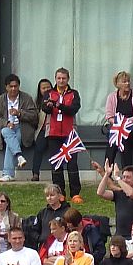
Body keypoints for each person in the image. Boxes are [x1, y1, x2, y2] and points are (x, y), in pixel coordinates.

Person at [41, 67, 82, 201]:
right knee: (56, 164)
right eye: (59, 78)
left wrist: (58, 105)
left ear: (68, 79)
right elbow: (44, 108)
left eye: (64, 78)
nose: (61, 81)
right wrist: (49, 105)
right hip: (53, 133)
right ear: (55, 79)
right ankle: (60, 193)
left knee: (72, 163)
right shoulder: (49, 93)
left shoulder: (74, 93)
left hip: (70, 133)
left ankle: (75, 193)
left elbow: (73, 109)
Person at [0, 73, 39, 181]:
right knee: (6, 132)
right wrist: (7, 123)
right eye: (11, 86)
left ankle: (8, 174)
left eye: (16, 86)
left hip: (22, 128)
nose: (13, 89)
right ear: (6, 87)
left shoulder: (26, 98)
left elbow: (34, 116)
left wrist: (19, 113)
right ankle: (19, 156)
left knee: (12, 141)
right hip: (8, 127)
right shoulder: (0, 100)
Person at [95, 162, 133, 238]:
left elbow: (130, 193)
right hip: (119, 236)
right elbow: (100, 192)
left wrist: (117, 178)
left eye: (128, 177)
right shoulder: (120, 193)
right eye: (124, 177)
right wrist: (106, 174)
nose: (125, 180)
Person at [104, 71, 133, 169]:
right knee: (113, 140)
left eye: (128, 81)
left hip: (132, 127)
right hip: (117, 126)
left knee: (123, 138)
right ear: (118, 84)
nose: (127, 83)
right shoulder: (112, 97)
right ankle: (107, 172)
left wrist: (125, 122)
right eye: (124, 82)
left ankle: (127, 171)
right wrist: (119, 123)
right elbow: (109, 116)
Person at [30, 78, 54, 182]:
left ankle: (56, 173)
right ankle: (35, 173)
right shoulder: (37, 102)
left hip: (54, 130)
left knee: (55, 152)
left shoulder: (56, 98)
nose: (46, 89)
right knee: (38, 149)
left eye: (48, 87)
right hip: (42, 130)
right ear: (39, 90)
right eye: (43, 88)